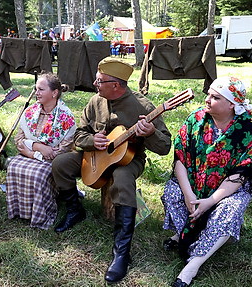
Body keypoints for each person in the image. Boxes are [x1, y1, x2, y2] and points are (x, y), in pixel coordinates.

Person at [51, 57, 172, 283]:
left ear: (115, 85)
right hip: (95, 155)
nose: (95, 85)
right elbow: (79, 133)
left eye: (99, 81)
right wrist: (90, 141)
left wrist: (150, 133)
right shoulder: (96, 101)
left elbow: (165, 147)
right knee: (61, 164)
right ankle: (75, 210)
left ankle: (121, 252)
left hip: (130, 158)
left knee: (122, 177)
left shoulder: (143, 106)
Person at [161, 77, 252, 287]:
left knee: (231, 209)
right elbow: (180, 158)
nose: (207, 100)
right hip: (194, 183)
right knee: (173, 193)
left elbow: (241, 172)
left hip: (227, 189)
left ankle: (193, 265)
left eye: (215, 97)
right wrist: (190, 195)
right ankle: (184, 234)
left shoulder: (248, 129)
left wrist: (210, 200)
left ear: (232, 104)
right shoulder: (196, 119)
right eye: (209, 94)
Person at [6, 73, 76, 229]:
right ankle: (19, 210)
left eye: (41, 89)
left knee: (38, 174)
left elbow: (61, 150)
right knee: (13, 166)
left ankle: (40, 214)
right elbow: (18, 140)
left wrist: (32, 149)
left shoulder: (66, 117)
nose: (36, 93)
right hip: (33, 154)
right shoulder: (31, 112)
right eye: (36, 89)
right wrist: (37, 148)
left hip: (52, 161)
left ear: (54, 93)